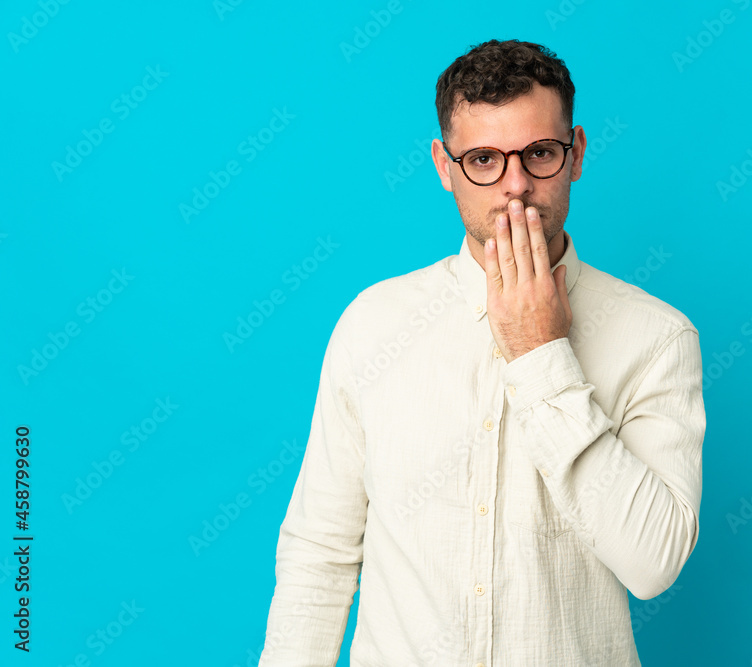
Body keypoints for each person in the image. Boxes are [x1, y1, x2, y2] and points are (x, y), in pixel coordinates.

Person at [259, 38, 705, 666]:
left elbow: (653, 562)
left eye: (540, 154)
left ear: (576, 153)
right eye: (484, 160)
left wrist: (541, 354)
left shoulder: (656, 337)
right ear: (445, 166)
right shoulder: (373, 325)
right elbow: (320, 553)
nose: (515, 187)